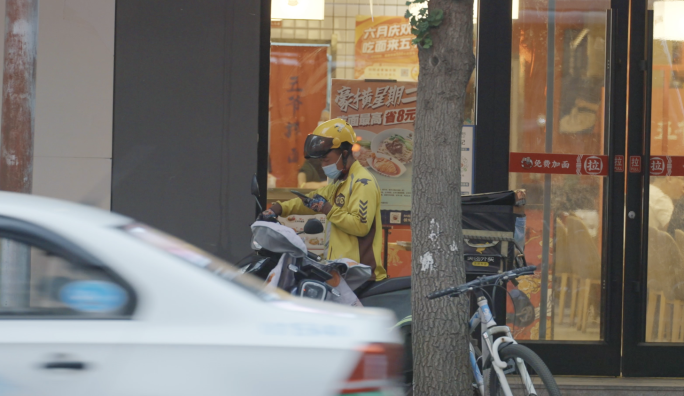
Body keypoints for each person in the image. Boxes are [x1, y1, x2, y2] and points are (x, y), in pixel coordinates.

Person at [259, 118, 387, 282]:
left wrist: (328, 209)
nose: (323, 165)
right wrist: (278, 209)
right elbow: (311, 200)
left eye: (326, 160)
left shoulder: (363, 183)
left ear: (345, 153)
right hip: (342, 273)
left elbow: (360, 226)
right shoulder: (340, 182)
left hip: (360, 276)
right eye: (321, 161)